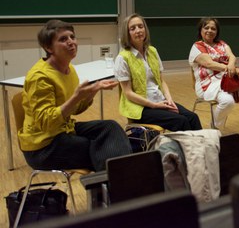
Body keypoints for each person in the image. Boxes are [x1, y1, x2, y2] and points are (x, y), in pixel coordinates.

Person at [18, 20, 131, 172]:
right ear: (48, 47)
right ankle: (115, 186)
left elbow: (75, 110)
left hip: (64, 130)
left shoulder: (69, 68)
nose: (71, 42)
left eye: (72, 37)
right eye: (63, 39)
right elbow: (46, 123)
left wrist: (92, 91)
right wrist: (76, 97)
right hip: (43, 147)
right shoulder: (39, 77)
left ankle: (113, 183)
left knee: (110, 127)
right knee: (104, 148)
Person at [115, 14, 202, 131]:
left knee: (192, 117)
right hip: (140, 108)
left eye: (140, 26)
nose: (138, 30)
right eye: (133, 28)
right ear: (127, 33)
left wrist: (169, 99)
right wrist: (154, 105)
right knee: (181, 121)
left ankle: (201, 148)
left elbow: (161, 81)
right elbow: (128, 93)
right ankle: (189, 149)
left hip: (160, 101)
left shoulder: (152, 51)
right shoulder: (123, 58)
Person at [189, 17, 239, 137]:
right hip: (208, 84)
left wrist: (232, 66)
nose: (210, 30)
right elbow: (209, 64)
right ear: (201, 30)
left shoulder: (222, 44)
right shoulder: (197, 46)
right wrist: (230, 69)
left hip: (228, 81)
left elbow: (232, 57)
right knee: (228, 102)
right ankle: (215, 128)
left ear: (217, 31)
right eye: (206, 27)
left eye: (213, 28)